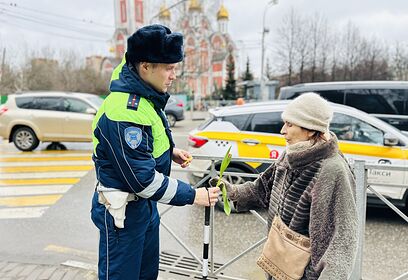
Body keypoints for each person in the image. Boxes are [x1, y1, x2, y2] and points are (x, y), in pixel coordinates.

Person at [90, 24, 220, 280]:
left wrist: (170, 151)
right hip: (123, 215)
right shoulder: (124, 110)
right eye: (168, 68)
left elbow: (149, 138)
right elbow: (142, 180)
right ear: (145, 66)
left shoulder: (145, 95)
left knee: (146, 275)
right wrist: (194, 195)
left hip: (144, 208)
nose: (174, 75)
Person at [211, 92, 358, 279]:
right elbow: (261, 190)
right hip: (279, 265)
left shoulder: (333, 169)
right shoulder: (290, 155)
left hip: (306, 274)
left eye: (289, 124)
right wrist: (231, 191)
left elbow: (343, 238)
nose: (282, 130)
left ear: (311, 129)